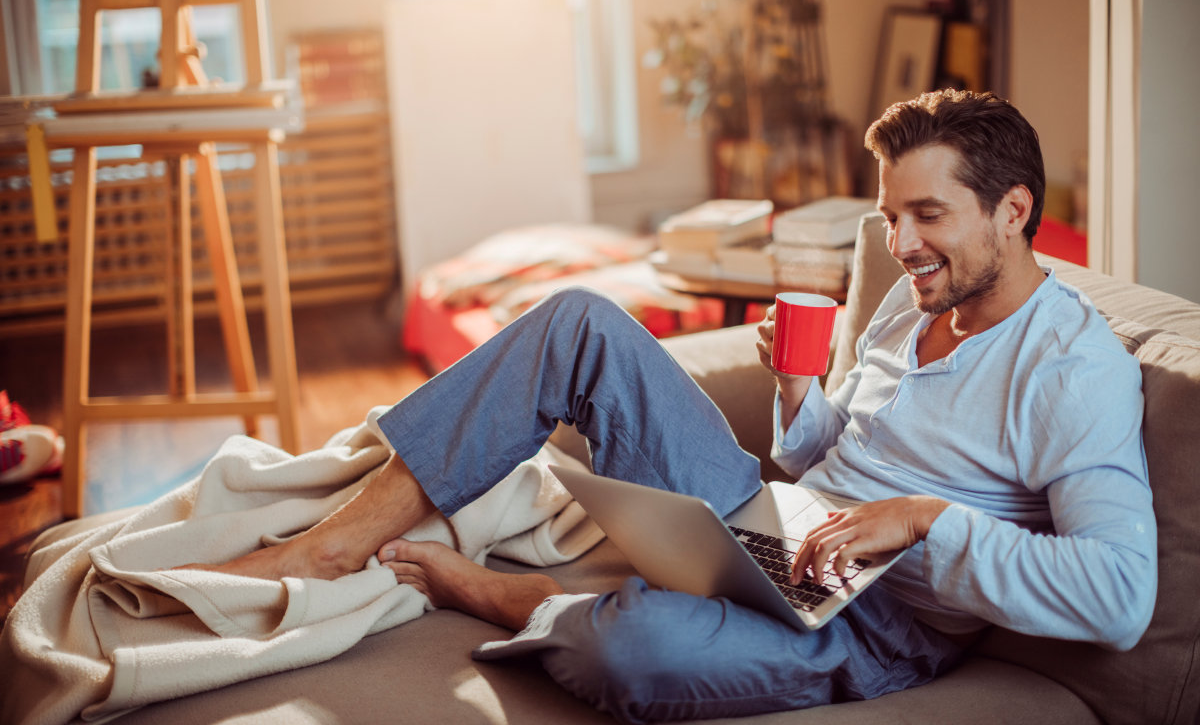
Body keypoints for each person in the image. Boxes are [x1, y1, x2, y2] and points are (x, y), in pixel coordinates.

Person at [193, 90, 1156, 724]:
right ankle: (332, 545)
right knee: (579, 320)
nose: (898, 243)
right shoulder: (917, 297)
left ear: (1015, 211)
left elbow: (1117, 598)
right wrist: (798, 395)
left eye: (926, 216)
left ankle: (506, 595)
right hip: (784, 523)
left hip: (886, 624)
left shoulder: (1075, 369)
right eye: (889, 215)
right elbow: (830, 454)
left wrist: (922, 521)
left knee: (640, 652)